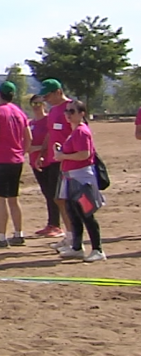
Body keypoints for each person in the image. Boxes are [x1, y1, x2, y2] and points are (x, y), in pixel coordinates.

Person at [55, 100, 106, 262]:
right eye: (67, 111)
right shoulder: (75, 131)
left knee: (86, 213)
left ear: (81, 113)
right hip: (72, 176)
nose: (68, 114)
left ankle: (98, 249)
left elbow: (84, 154)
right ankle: (77, 247)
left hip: (82, 178)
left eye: (72, 111)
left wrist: (63, 156)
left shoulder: (81, 132)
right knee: (73, 212)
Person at [0, 82, 32, 248]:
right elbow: (29, 137)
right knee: (13, 198)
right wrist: (22, 152)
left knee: (0, 199)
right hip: (16, 159)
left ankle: (1, 236)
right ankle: (18, 233)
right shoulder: (20, 112)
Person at [37, 79, 74, 249]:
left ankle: (74, 236)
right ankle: (70, 235)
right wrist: (43, 152)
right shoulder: (53, 111)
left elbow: (79, 132)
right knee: (58, 199)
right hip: (54, 160)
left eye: (48, 95)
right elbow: (50, 134)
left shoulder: (71, 108)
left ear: (58, 91)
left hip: (68, 161)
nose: (47, 99)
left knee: (66, 200)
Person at [27, 94, 60, 237]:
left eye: (39, 103)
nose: (36, 107)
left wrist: (37, 149)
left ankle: (56, 224)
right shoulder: (31, 123)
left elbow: (51, 139)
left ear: (44, 105)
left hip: (48, 161)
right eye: (33, 104)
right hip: (35, 161)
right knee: (47, 193)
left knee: (52, 194)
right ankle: (51, 223)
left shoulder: (48, 120)